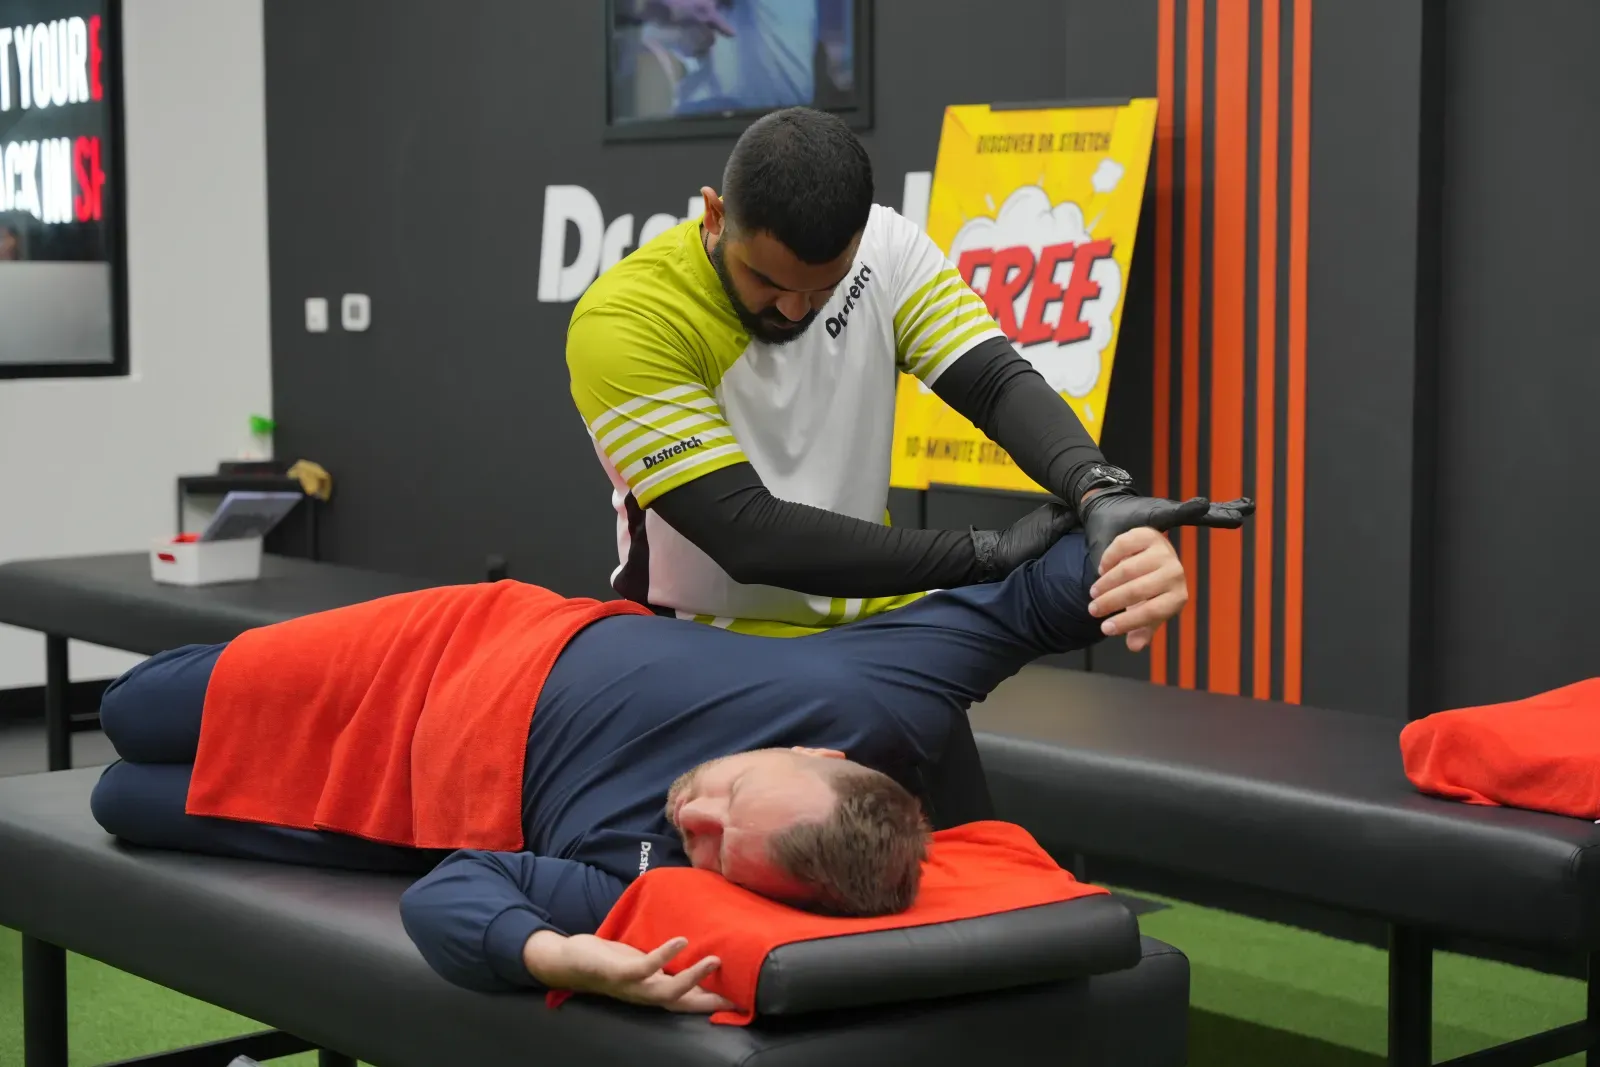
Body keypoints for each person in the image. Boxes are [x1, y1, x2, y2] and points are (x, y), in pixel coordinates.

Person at [88, 519, 1193, 1014]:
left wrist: (556, 953)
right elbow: (1050, 584)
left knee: (121, 796)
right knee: (133, 708)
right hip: (461, 644)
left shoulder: (658, 883)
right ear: (816, 754)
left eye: (717, 844)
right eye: (731, 789)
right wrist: (1136, 560)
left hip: (417, 800)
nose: (693, 810)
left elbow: (454, 894)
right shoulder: (883, 692)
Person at [566, 105, 1250, 640]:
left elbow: (994, 382)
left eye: (823, 287)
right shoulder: (625, 320)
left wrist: (1097, 489)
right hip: (703, 643)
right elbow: (749, 536)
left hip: (875, 621)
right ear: (715, 215)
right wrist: (988, 552)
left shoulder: (886, 246)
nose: (795, 309)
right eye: (767, 281)